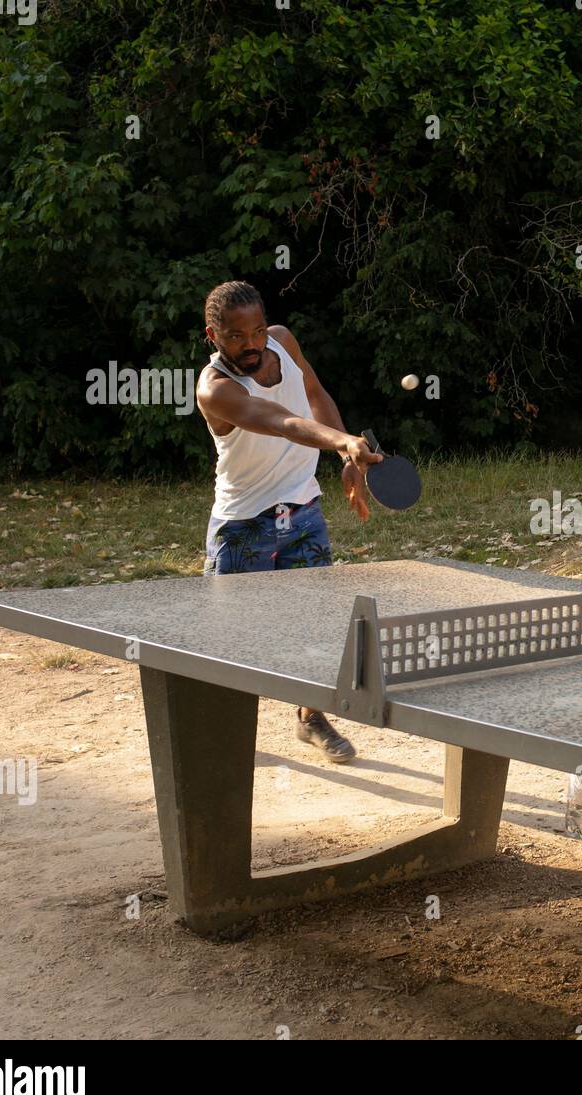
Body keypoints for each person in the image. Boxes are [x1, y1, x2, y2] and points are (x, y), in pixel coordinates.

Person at [196, 280, 382, 761]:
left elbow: (314, 393)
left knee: (315, 626)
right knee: (233, 643)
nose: (253, 343)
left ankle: (311, 717)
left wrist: (346, 454)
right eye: (237, 336)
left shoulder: (282, 339)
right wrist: (340, 442)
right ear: (213, 336)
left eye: (257, 330)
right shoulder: (215, 389)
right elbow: (278, 419)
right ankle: (221, 733)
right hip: (243, 526)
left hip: (303, 512)